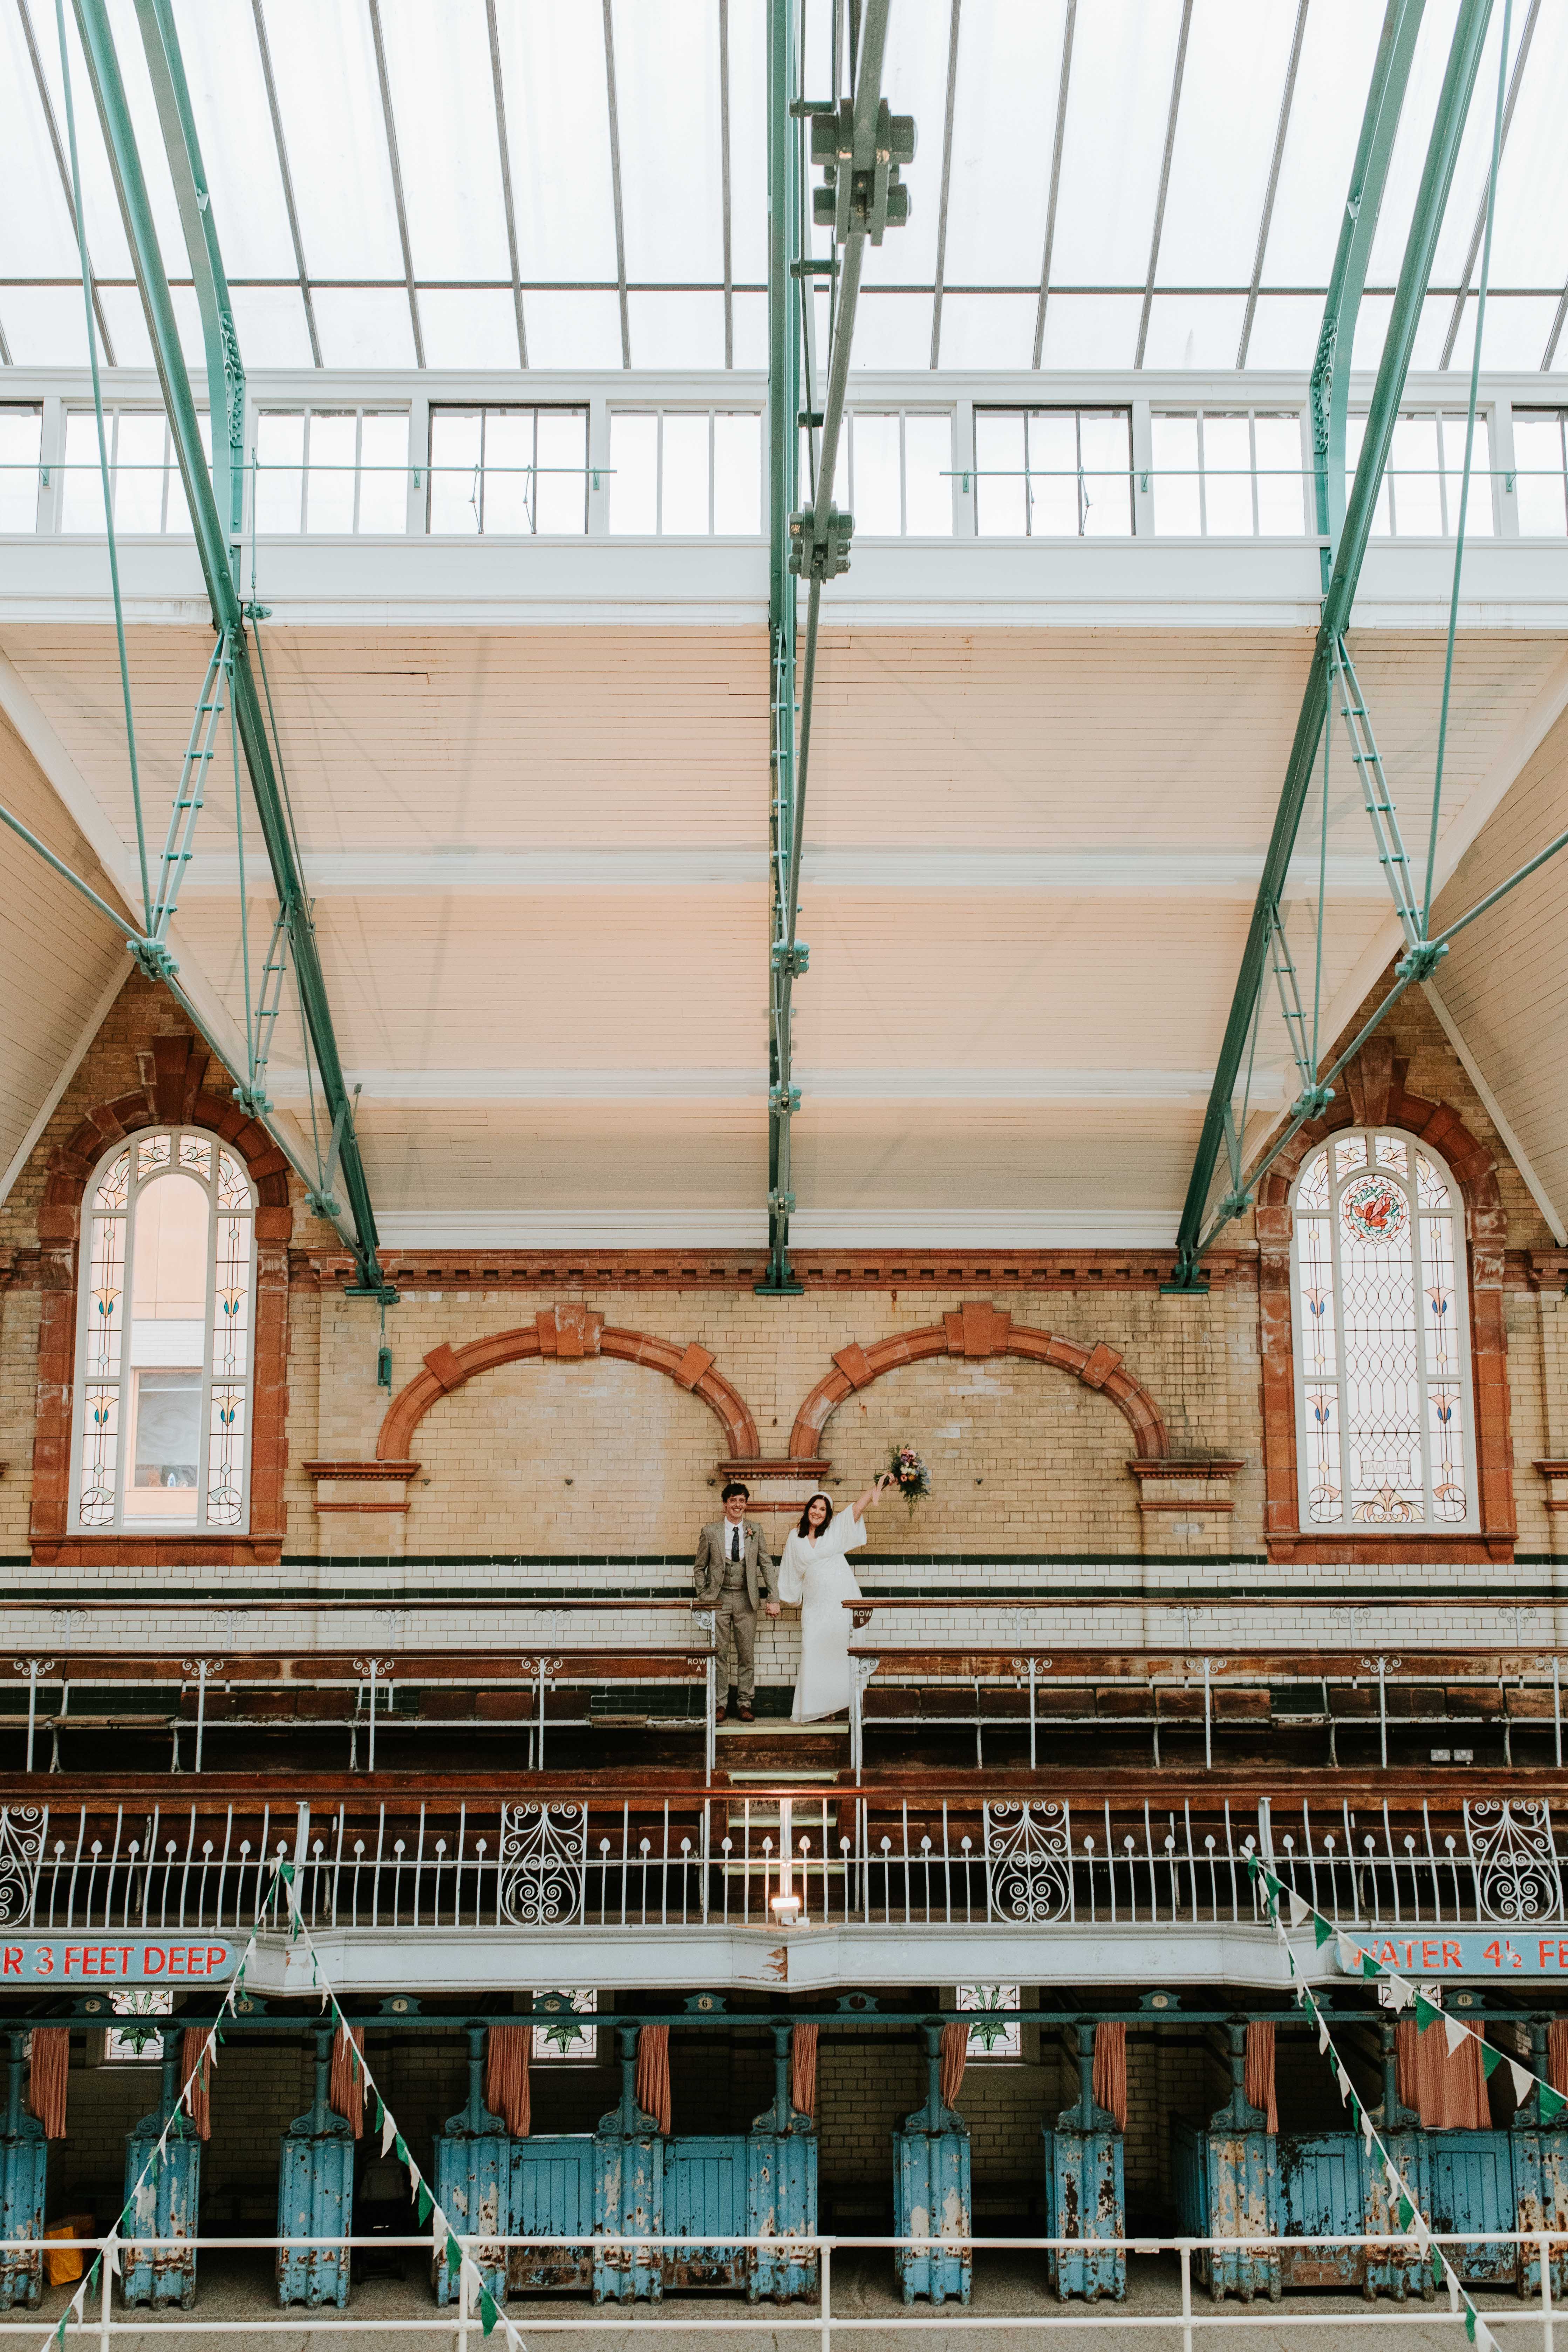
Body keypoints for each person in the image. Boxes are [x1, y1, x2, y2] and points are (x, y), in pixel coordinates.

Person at [775, 1474, 894, 1723]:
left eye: (823, 1509)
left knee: (839, 1651)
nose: (817, 1512)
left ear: (828, 1513)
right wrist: (778, 1598)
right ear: (808, 1509)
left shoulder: (835, 1530)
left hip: (841, 1601)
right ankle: (818, 1708)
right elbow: (789, 1570)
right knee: (814, 1648)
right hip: (815, 1606)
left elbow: (858, 1507)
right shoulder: (794, 1537)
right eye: (814, 1507)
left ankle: (841, 1705)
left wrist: (878, 1486)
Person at [694, 1480, 778, 1723]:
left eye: (742, 1500)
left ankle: (744, 1703)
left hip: (746, 1598)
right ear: (725, 1504)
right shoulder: (711, 1531)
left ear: (746, 1504)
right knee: (720, 1653)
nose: (737, 1505)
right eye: (733, 1500)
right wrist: (705, 1597)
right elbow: (700, 1568)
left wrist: (773, 1597)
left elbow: (767, 1565)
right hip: (718, 1599)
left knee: (746, 1654)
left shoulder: (756, 1529)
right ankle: (720, 1705)